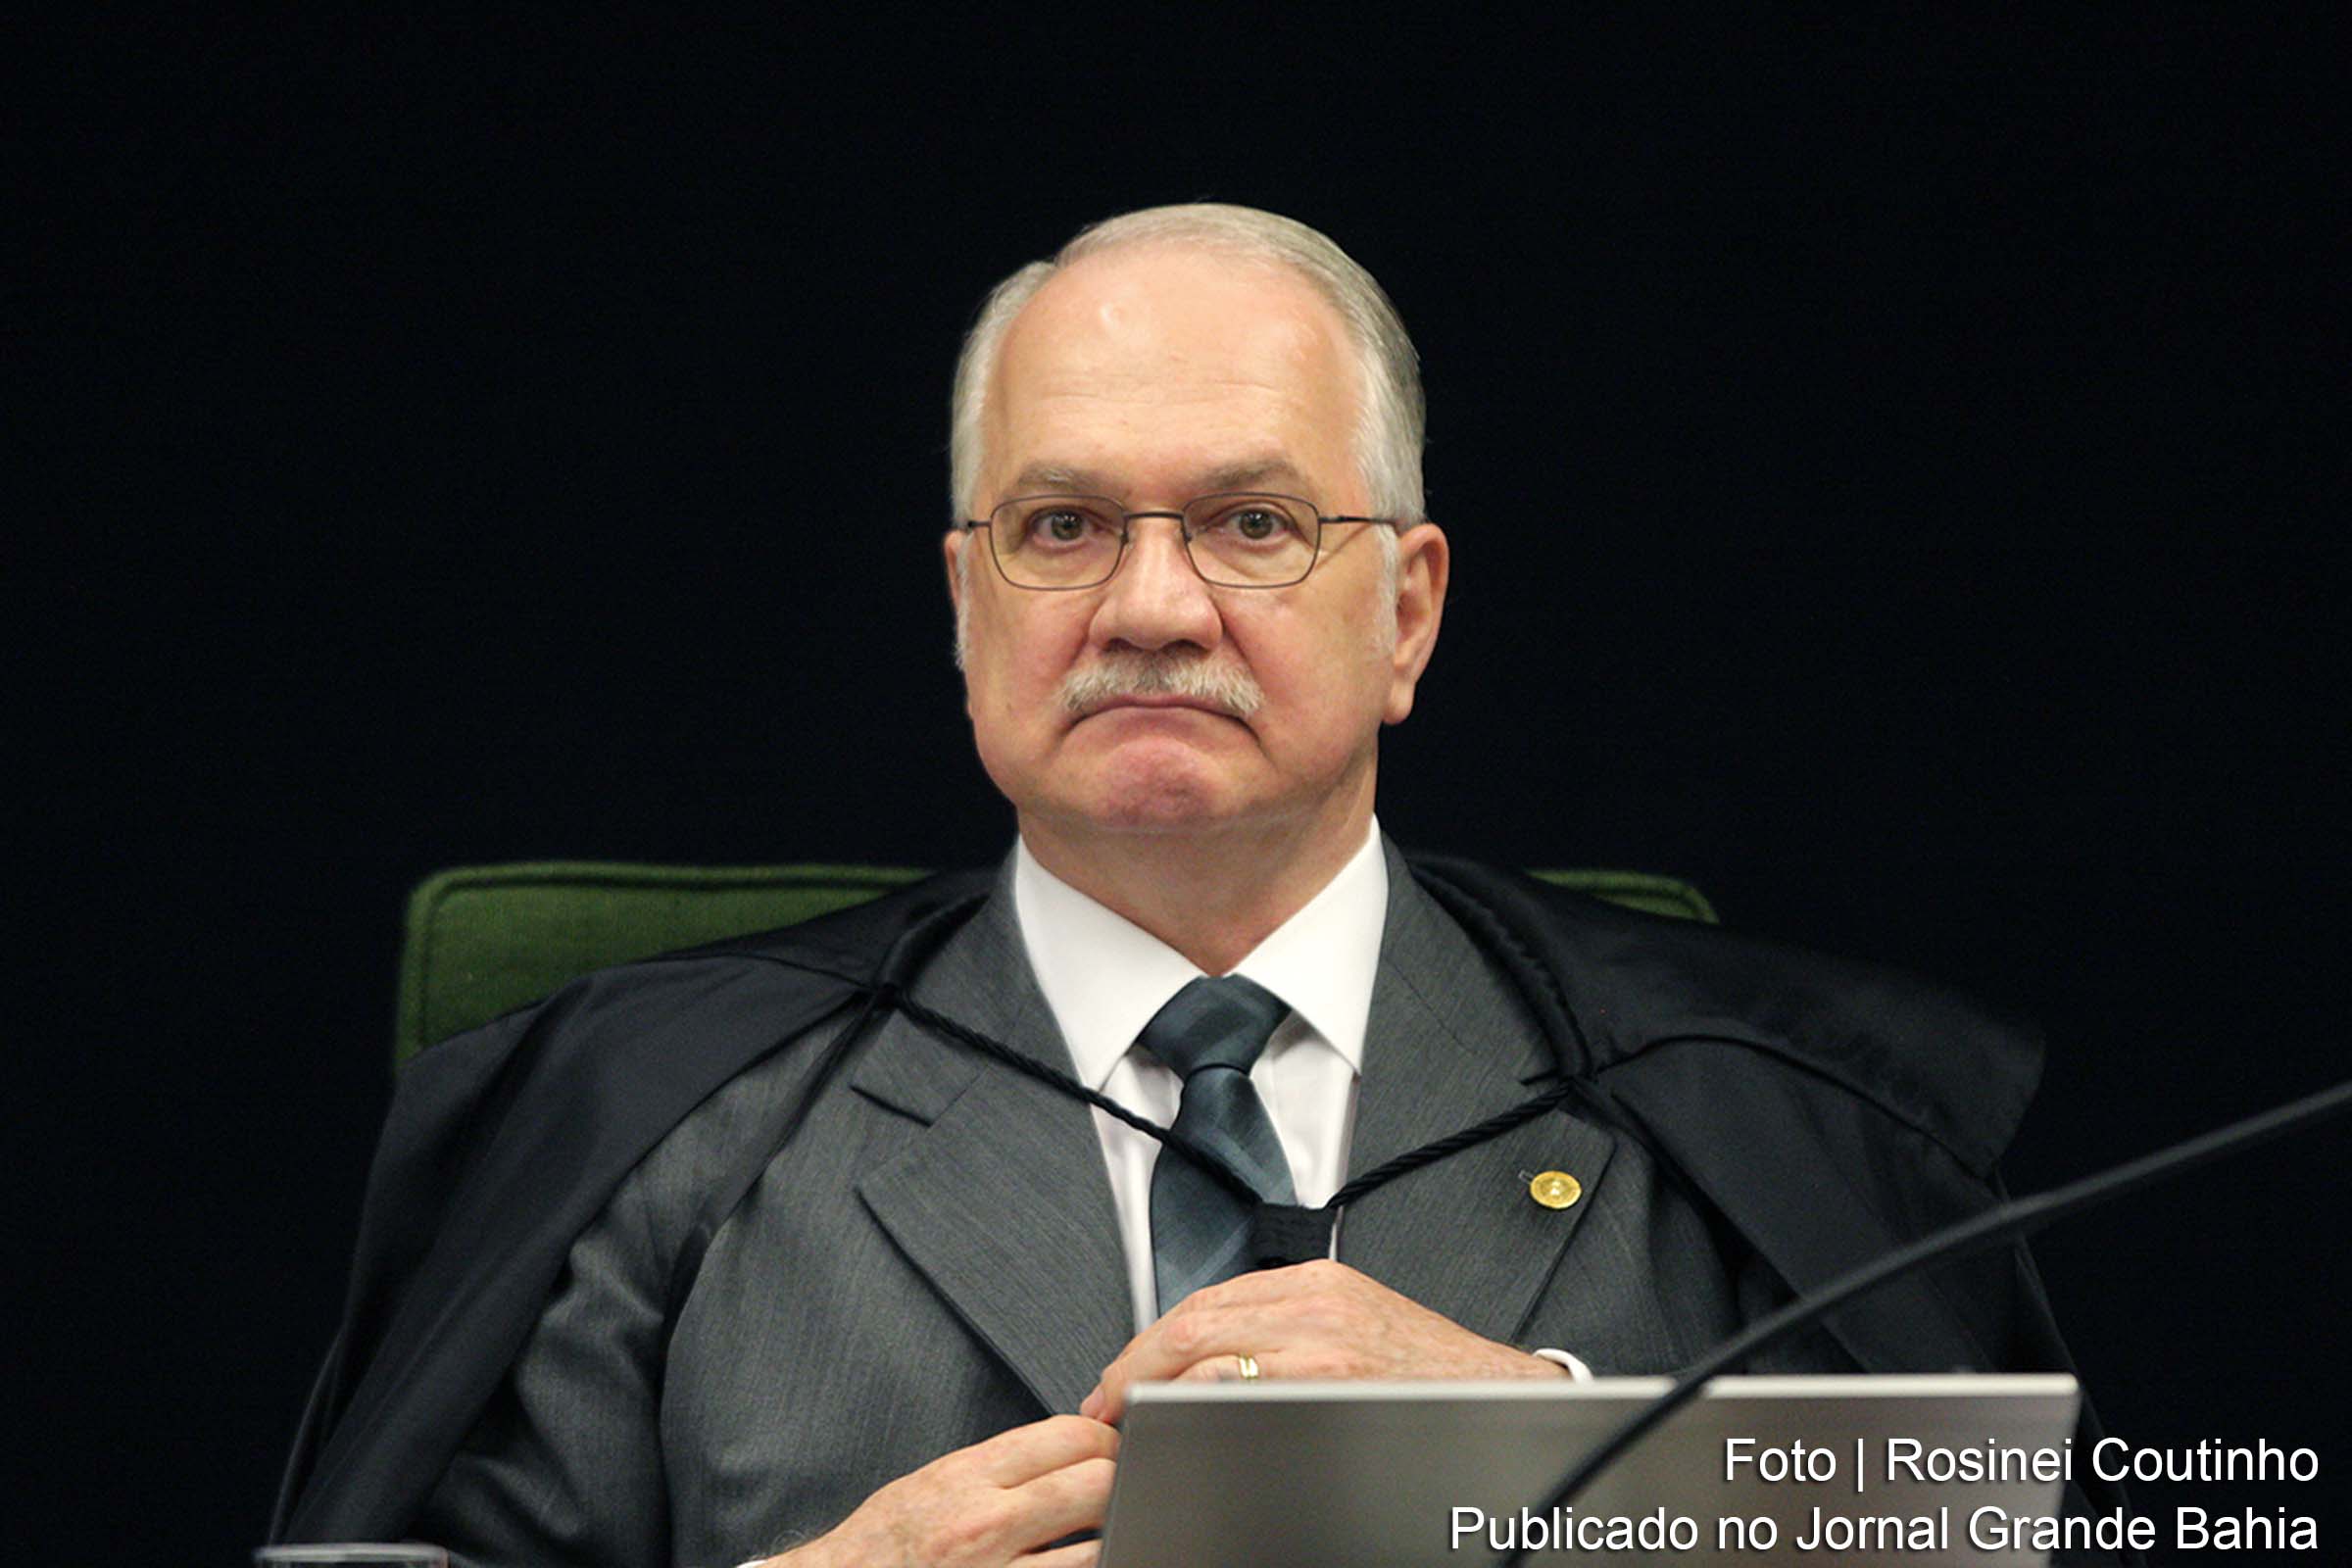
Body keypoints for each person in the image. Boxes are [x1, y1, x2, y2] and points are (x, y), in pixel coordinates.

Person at [272, 204, 2097, 1566]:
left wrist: (1573, 1462)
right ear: (967, 604)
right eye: (1062, 527)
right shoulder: (652, 1121)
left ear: (1409, 609)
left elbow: (2027, 1534)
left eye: (1252, 523)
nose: (1151, 607)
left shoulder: (1755, 1115)